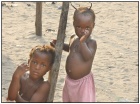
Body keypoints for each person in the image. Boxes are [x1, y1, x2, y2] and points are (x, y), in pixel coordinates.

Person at [50, 3, 97, 102]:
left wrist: (83, 43)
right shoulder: (73, 38)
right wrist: (60, 46)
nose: (82, 31)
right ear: (74, 24)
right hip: (70, 81)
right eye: (79, 27)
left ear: (93, 26)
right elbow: (71, 49)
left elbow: (87, 57)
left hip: (82, 84)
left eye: (87, 28)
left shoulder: (92, 43)